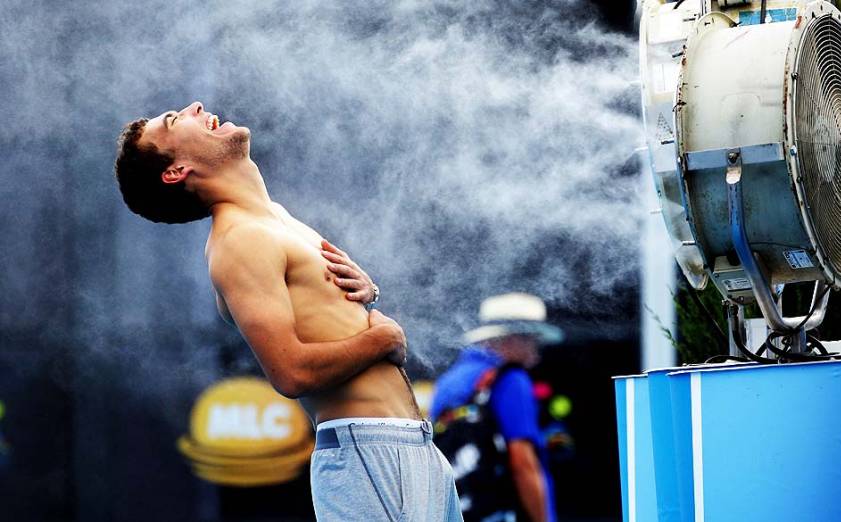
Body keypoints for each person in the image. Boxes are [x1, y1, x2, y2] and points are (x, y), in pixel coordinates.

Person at [113, 101, 462, 521]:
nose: (194, 107)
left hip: (412, 448)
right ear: (175, 171)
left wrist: (368, 295)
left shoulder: (274, 219)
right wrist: (382, 338)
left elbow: (324, 318)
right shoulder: (238, 240)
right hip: (369, 452)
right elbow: (290, 372)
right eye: (173, 121)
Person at [431, 293, 563, 522]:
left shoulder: (449, 381)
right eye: (532, 340)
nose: (537, 353)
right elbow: (523, 462)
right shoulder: (511, 379)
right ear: (510, 338)